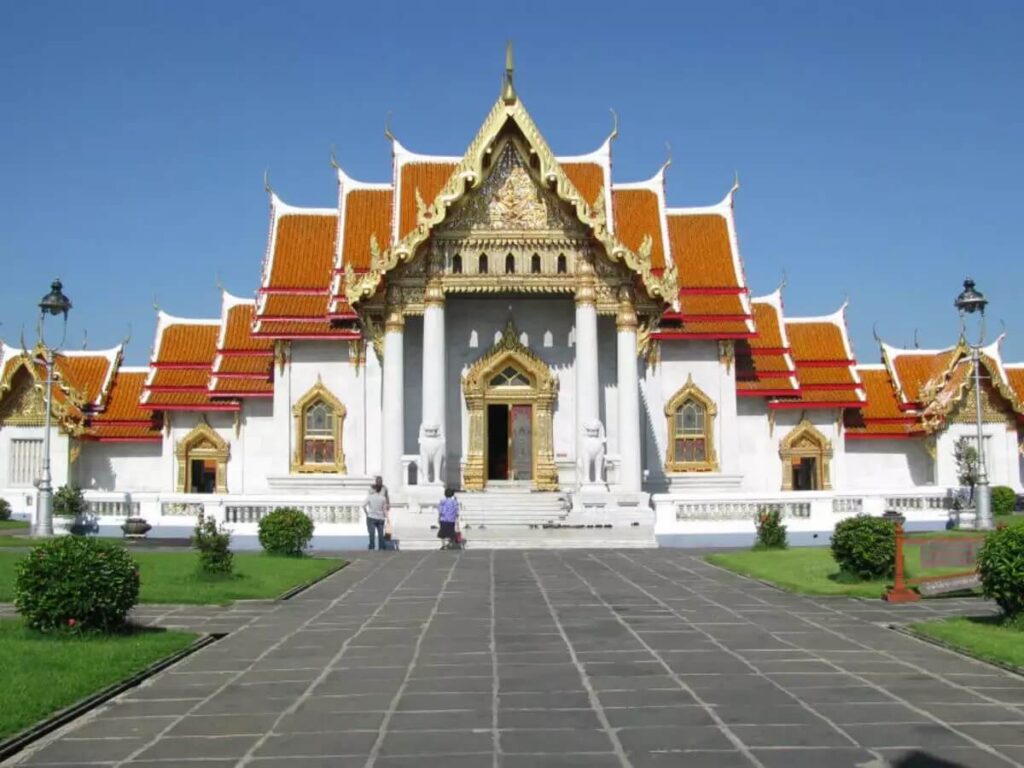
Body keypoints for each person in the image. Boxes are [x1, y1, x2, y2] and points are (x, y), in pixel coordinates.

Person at [364, 476, 389, 551]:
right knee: (379, 533)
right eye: (379, 481)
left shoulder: (384, 489)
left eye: (380, 481)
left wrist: (367, 513)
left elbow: (364, 505)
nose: (380, 482)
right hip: (380, 515)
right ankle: (380, 546)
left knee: (373, 533)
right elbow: (385, 505)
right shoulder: (380, 495)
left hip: (372, 515)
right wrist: (386, 516)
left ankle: (373, 546)